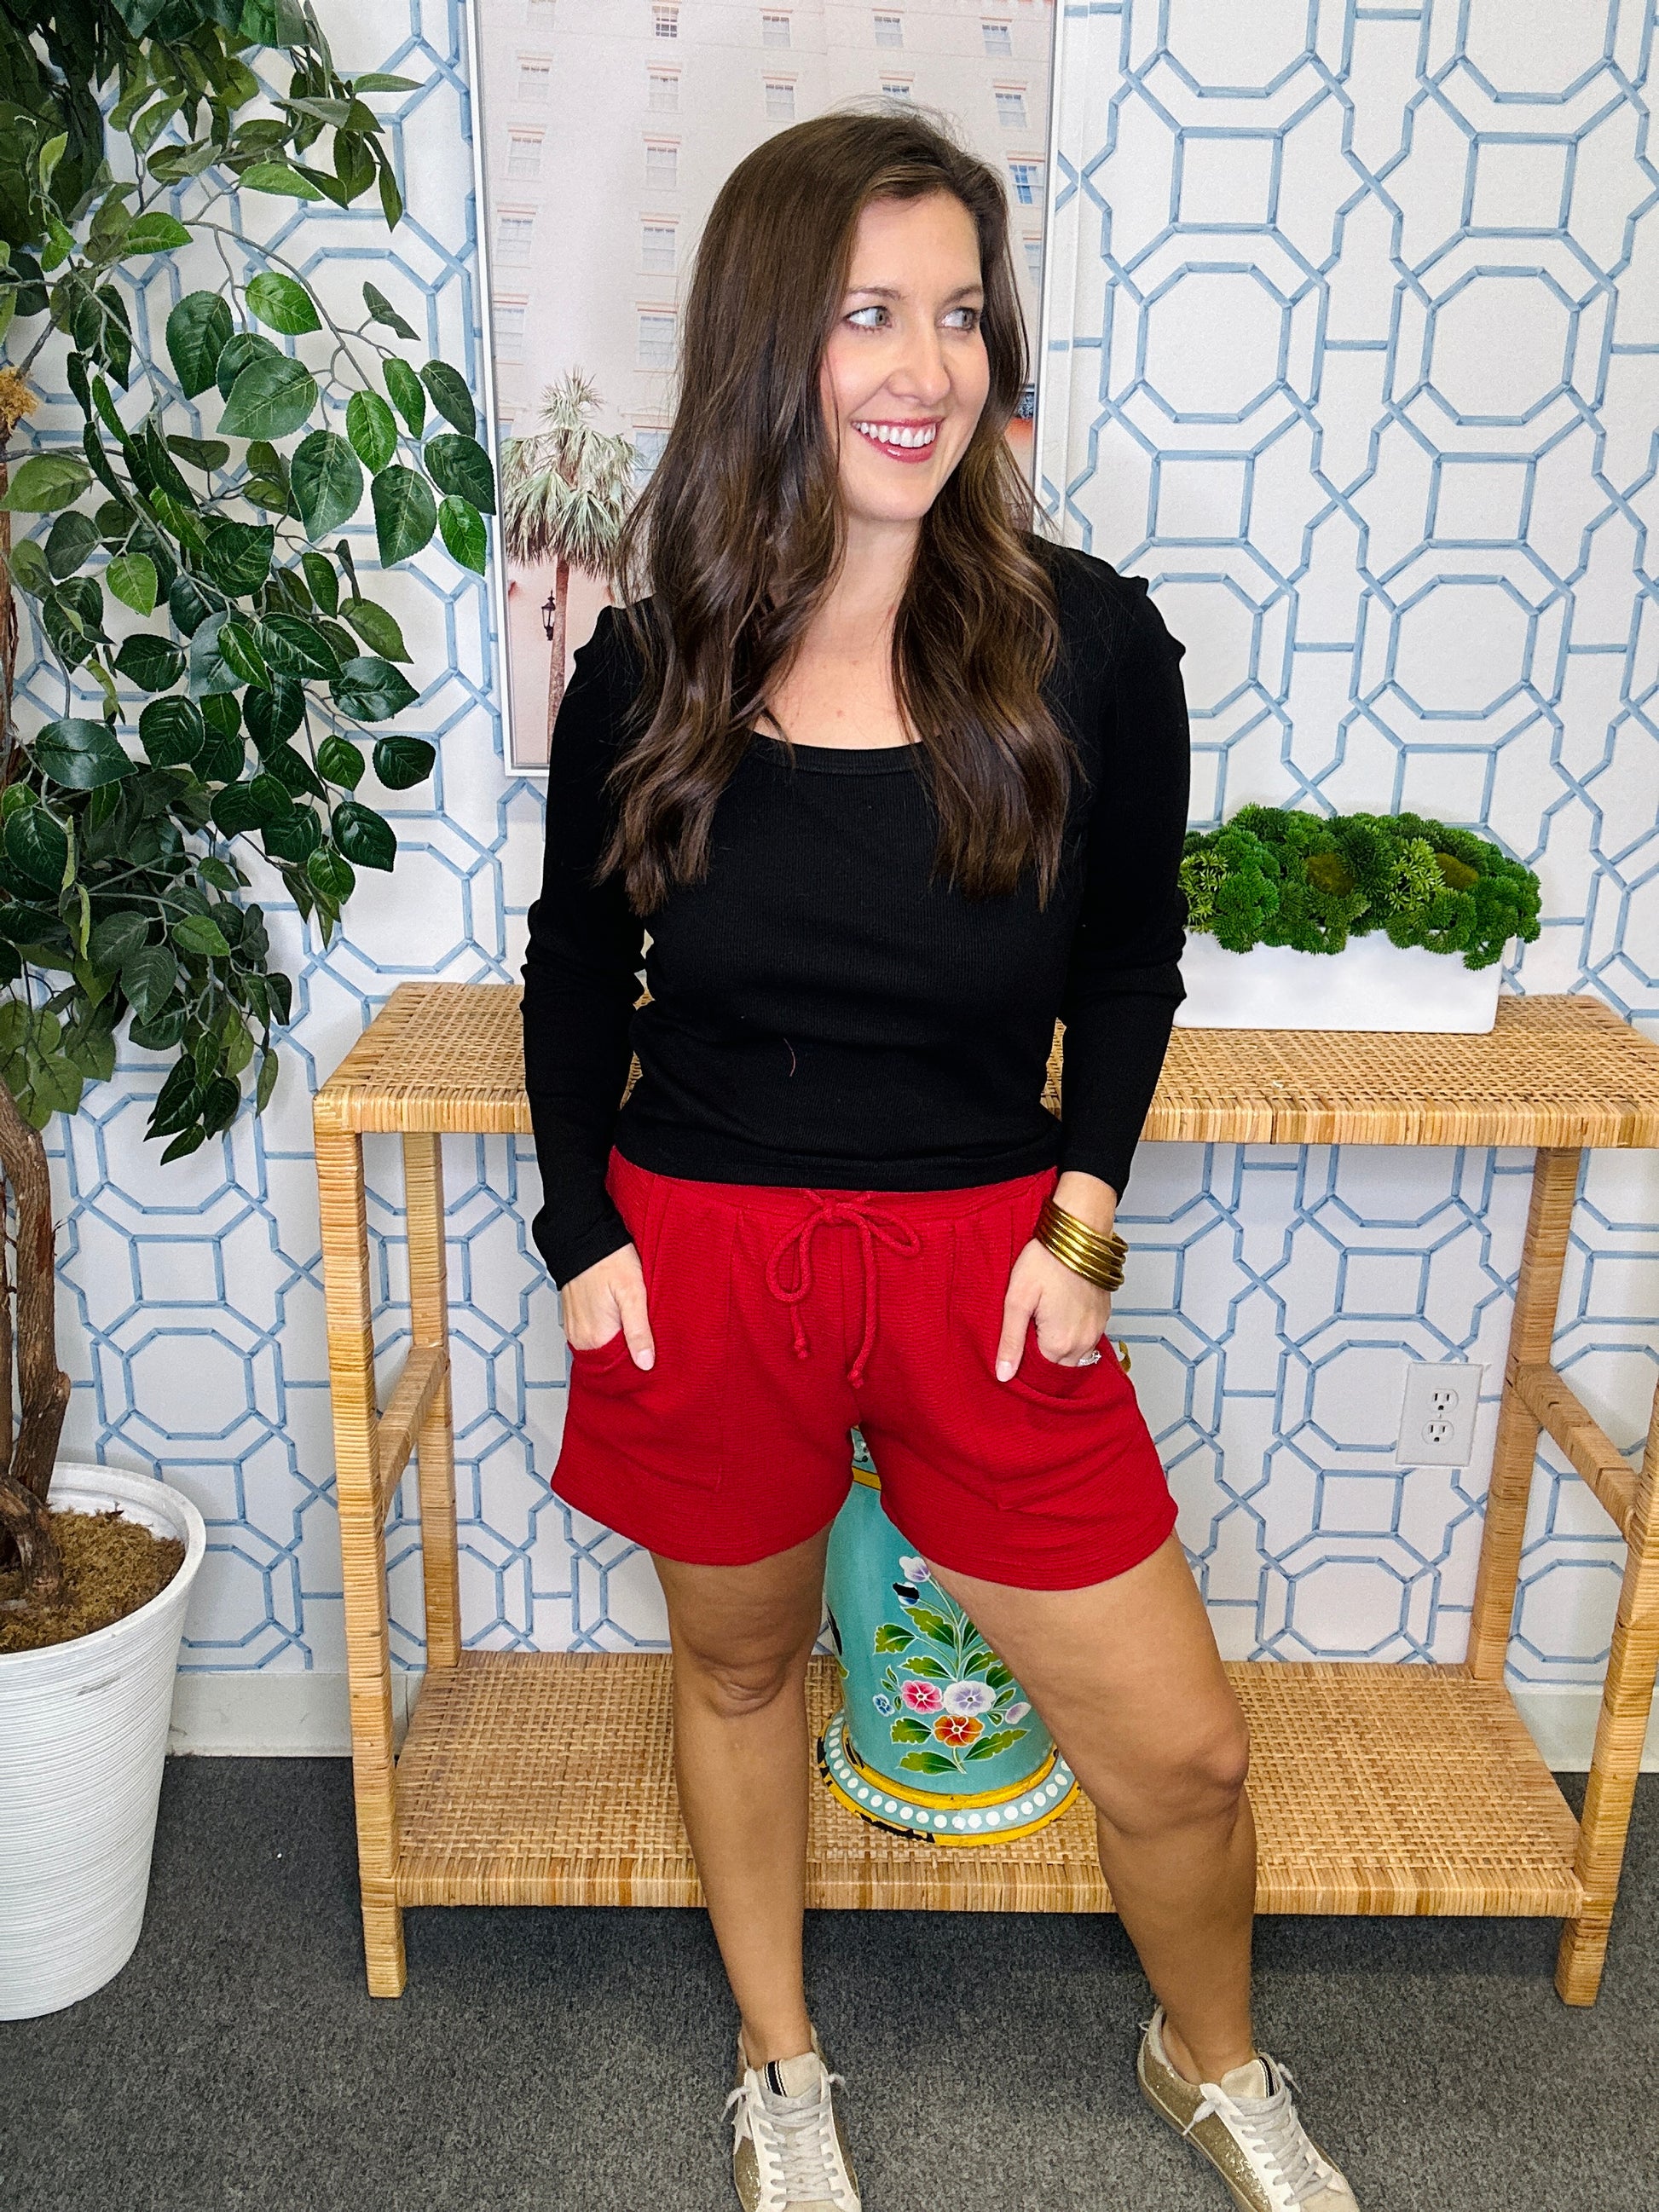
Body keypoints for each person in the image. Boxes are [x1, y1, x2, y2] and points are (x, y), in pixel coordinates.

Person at [522, 107, 1359, 2212]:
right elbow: (575, 967)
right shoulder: (648, 665)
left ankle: (1211, 2055)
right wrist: (578, 1232)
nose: (926, 366)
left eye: (960, 313)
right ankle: (780, 2063)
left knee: (1181, 1750)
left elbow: (1130, 960)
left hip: (989, 1261)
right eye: (867, 313)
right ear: (767, 343)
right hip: (704, 1249)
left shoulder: (1090, 644)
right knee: (740, 1666)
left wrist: (1082, 1225)